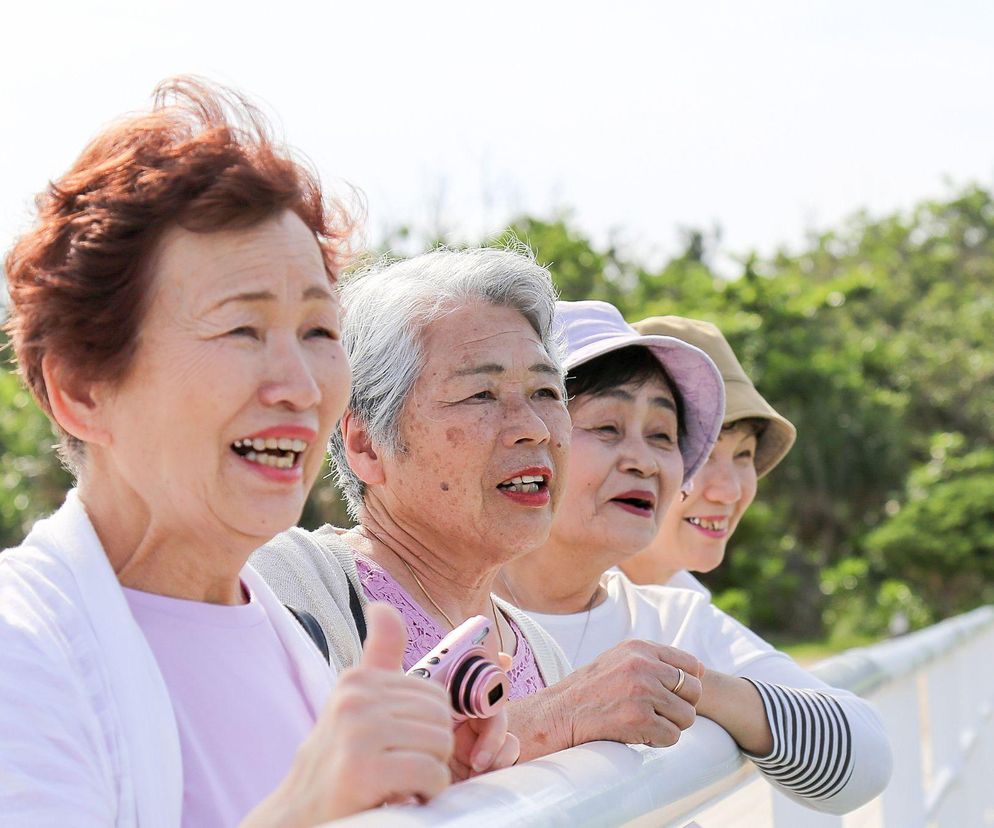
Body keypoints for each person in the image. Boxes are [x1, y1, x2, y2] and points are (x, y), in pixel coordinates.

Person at [0, 78, 514, 827]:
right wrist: (305, 809)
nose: (301, 386)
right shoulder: (22, 653)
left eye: (318, 332)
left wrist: (430, 790)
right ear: (81, 388)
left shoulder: (289, 639)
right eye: (242, 330)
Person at [252, 248, 706, 763]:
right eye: (481, 395)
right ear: (367, 445)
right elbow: (276, 794)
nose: (534, 427)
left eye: (545, 391)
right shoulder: (286, 582)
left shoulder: (534, 648)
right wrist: (553, 719)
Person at [498, 300, 892, 814]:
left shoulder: (674, 619)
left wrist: (685, 686)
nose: (643, 460)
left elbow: (863, 761)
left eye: (663, 435)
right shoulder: (415, 605)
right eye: (607, 428)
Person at [619, 315, 797, 593]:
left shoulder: (698, 620)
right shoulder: (532, 618)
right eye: (701, 455)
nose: (729, 492)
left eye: (744, 454)